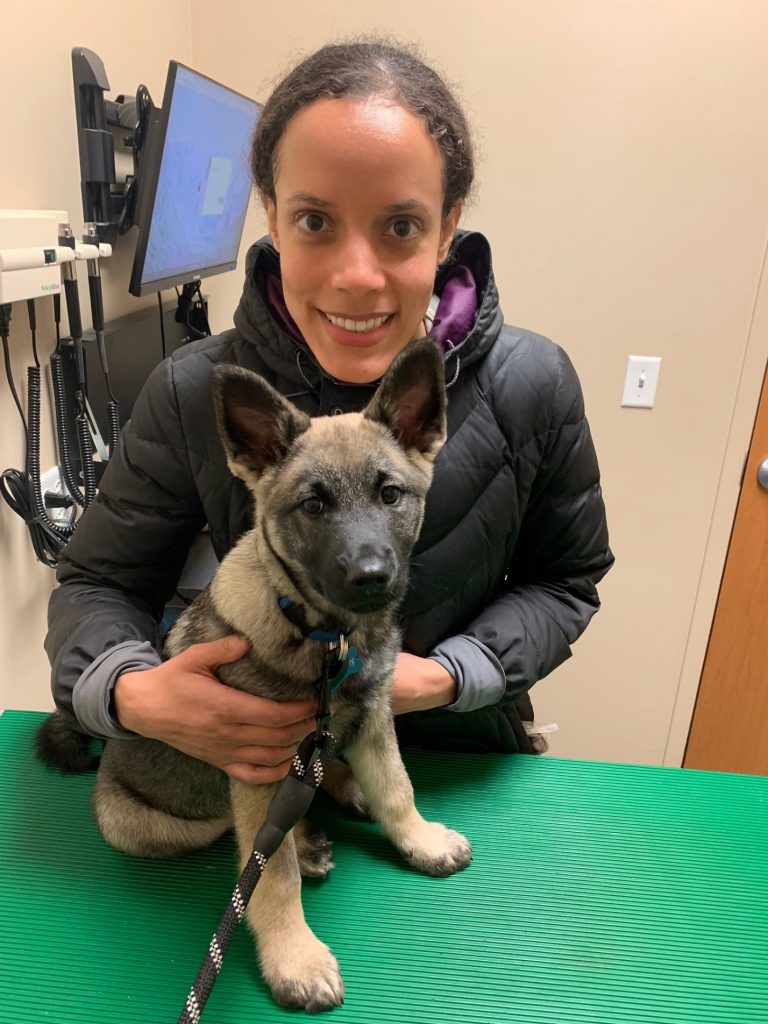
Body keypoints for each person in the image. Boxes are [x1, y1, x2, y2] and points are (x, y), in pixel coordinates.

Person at [45, 39, 613, 786]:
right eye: (316, 221)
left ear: (448, 228)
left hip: (452, 763)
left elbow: (567, 579)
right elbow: (97, 584)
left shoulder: (533, 384)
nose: (356, 276)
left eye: (401, 226)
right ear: (273, 218)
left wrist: (449, 675)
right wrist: (129, 690)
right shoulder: (193, 389)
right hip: (259, 763)